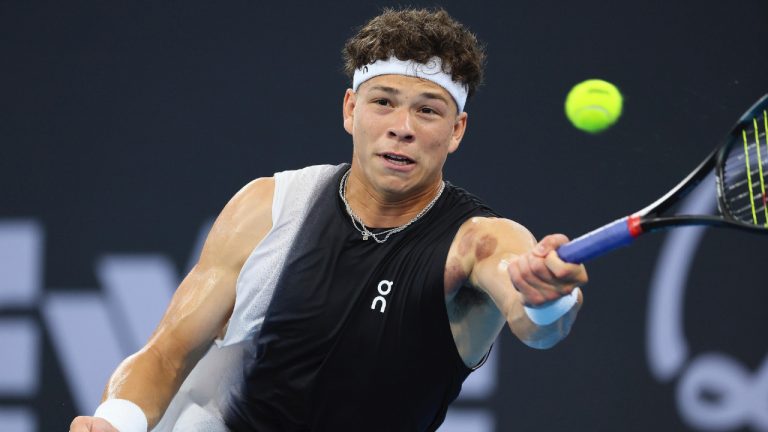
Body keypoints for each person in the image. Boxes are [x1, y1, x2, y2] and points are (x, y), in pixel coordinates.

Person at [70, 7, 587, 432]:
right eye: (383, 103)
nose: (401, 128)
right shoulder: (267, 207)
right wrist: (117, 421)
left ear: (457, 130)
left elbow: (537, 325)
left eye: (428, 111)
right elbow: (166, 353)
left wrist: (548, 300)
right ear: (350, 110)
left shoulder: (480, 242)